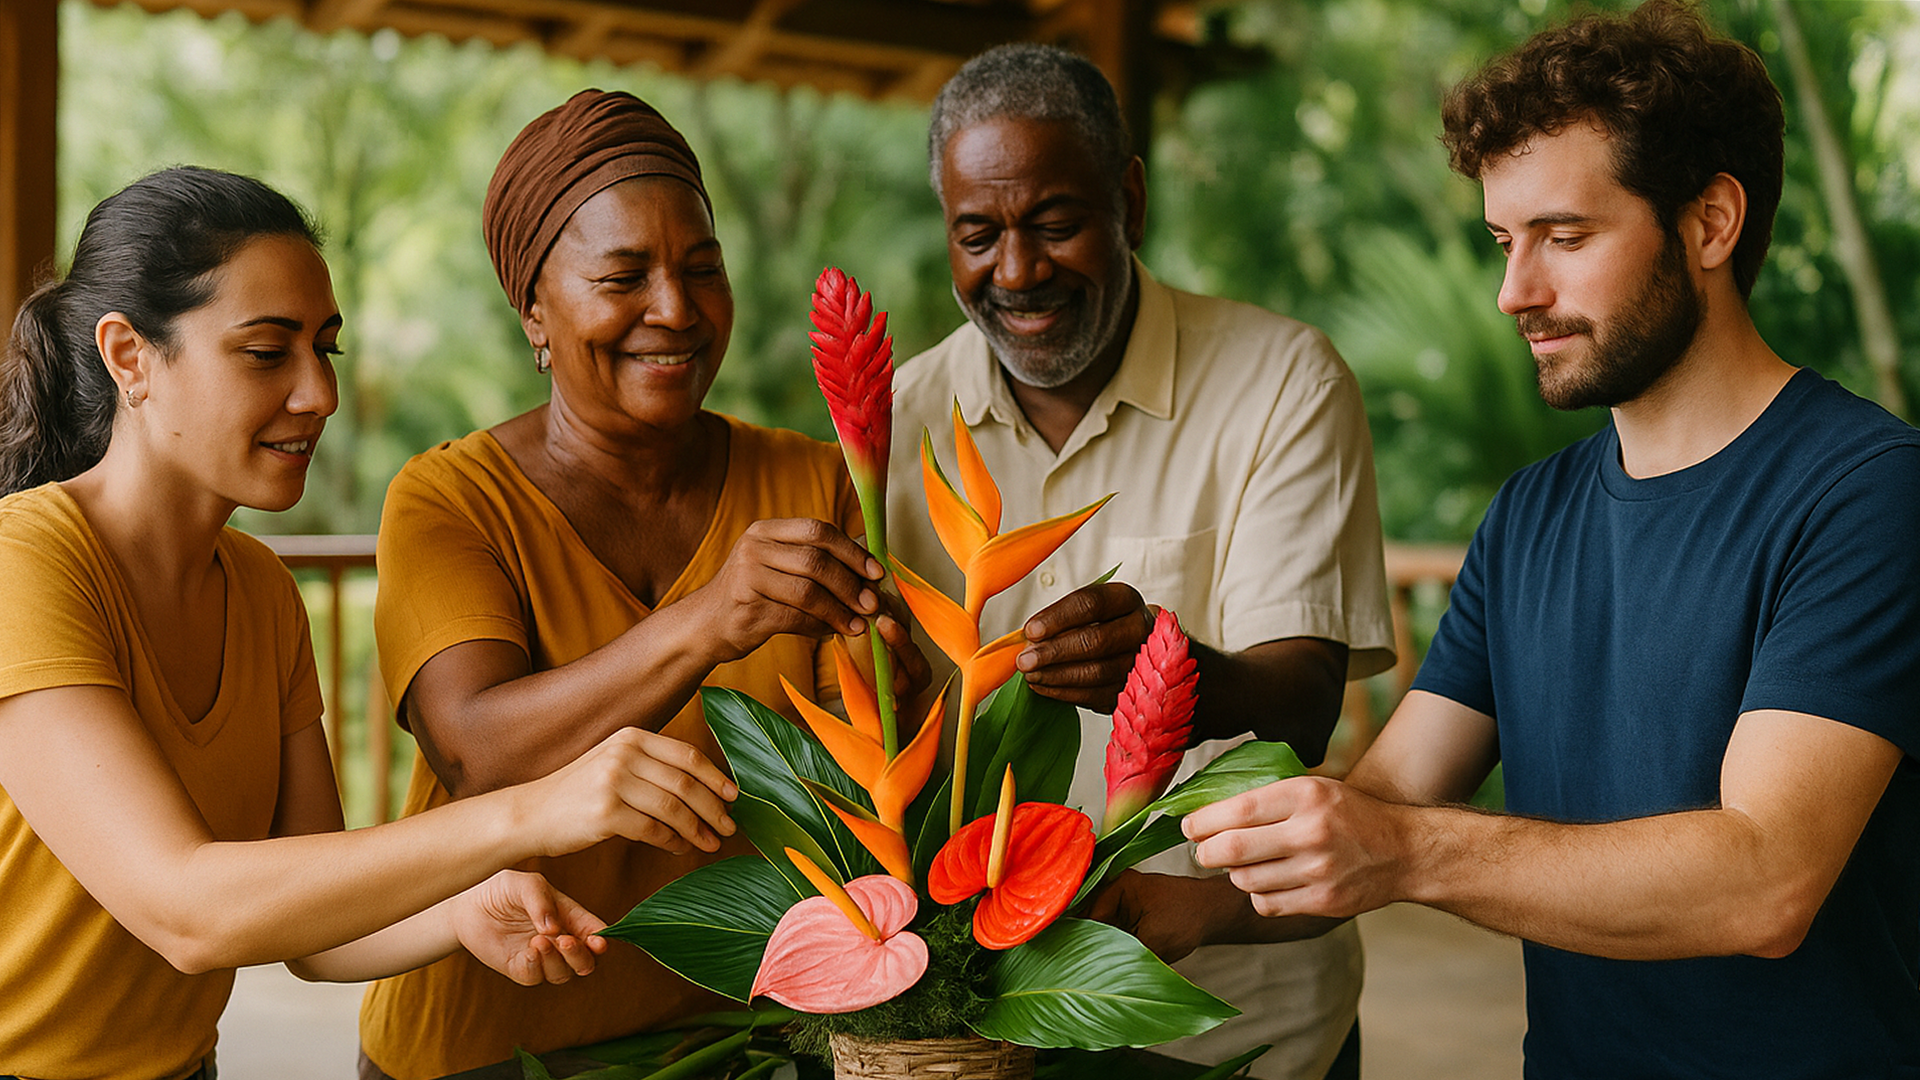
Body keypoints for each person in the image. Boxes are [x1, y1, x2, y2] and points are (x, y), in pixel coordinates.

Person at [1187, 3, 1920, 1075]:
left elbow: (1766, 880)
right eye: (1503, 240)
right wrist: (1156, 905)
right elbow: (1382, 807)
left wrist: (1399, 851)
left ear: (1712, 223)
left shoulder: (1869, 493)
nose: (1514, 292)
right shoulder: (1530, 515)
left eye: (1564, 238)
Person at [0, 166, 744, 1080]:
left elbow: (316, 928)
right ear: (129, 357)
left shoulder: (263, 590)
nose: (320, 394)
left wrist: (458, 913)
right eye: (267, 352)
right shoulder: (24, 562)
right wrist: (534, 811)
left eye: (326, 349)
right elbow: (186, 909)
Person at [357, 90, 928, 1080]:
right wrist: (712, 620)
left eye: (701, 269)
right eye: (624, 276)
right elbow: (476, 753)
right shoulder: (449, 498)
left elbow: (868, 778)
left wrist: (902, 689)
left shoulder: (812, 480)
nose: (675, 308)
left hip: (737, 1041)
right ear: (535, 312)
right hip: (485, 1046)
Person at [886, 45, 1395, 1080]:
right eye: (978, 234)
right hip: (986, 1030)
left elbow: (1303, 704)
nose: (1016, 272)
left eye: (1057, 223)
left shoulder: (1282, 383)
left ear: (1132, 199)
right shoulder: (900, 420)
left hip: (1239, 1025)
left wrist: (1168, 671)